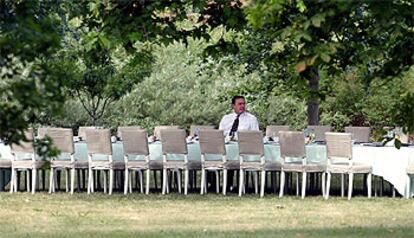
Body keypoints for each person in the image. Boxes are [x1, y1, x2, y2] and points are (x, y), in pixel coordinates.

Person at [218, 95, 259, 192]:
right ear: (233, 106)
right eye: (239, 104)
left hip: (245, 150)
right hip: (226, 147)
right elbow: (219, 135)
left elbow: (255, 136)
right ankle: (214, 185)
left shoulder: (251, 119)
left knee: (232, 158)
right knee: (212, 155)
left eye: (244, 104)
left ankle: (238, 186)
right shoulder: (226, 118)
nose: (242, 106)